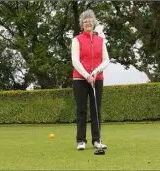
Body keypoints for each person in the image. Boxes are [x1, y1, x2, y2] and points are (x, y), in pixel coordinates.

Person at [71, 9, 110, 150]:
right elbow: (75, 60)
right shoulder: (77, 40)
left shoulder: (101, 40)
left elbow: (106, 60)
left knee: (96, 110)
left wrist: (95, 72)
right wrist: (86, 75)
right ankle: (81, 141)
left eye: (90, 21)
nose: (88, 23)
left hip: (97, 78)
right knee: (81, 110)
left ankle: (97, 140)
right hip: (80, 79)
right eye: (85, 21)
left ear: (94, 23)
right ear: (82, 25)